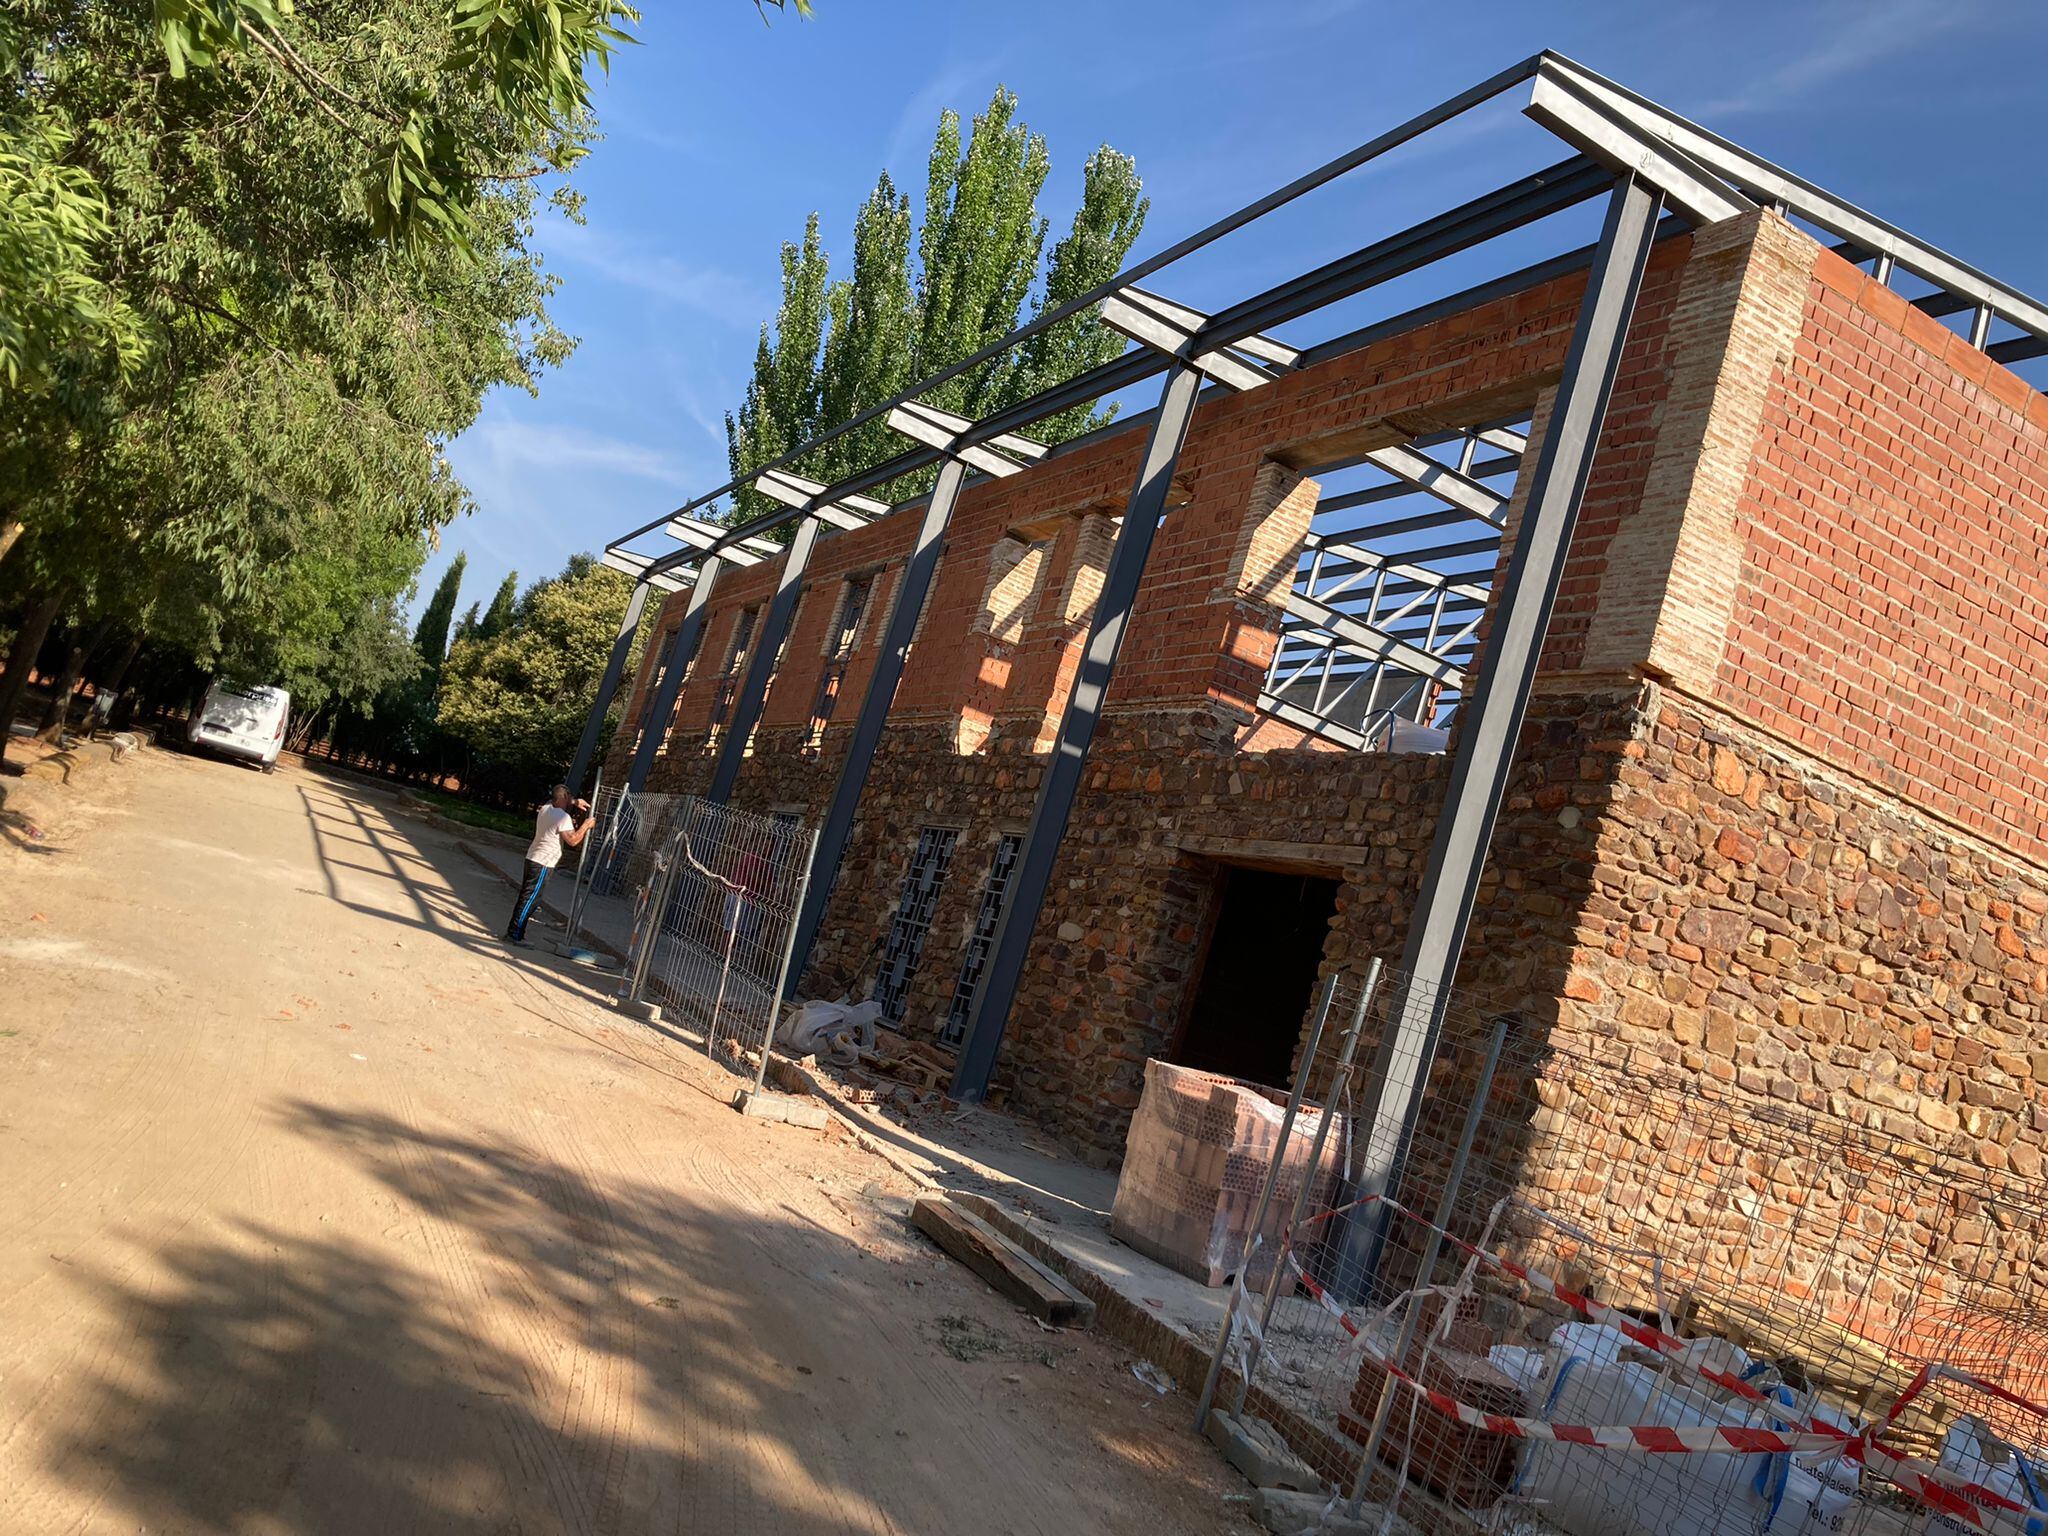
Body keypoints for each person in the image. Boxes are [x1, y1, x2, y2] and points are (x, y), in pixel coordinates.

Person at [505, 785, 592, 947]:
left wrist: (574, 801)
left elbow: (555, 798)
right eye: (568, 798)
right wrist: (586, 825)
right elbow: (572, 840)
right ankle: (514, 935)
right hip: (543, 863)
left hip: (532, 858)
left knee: (526, 896)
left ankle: (515, 932)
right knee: (530, 900)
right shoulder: (562, 817)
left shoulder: (545, 808)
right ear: (563, 797)